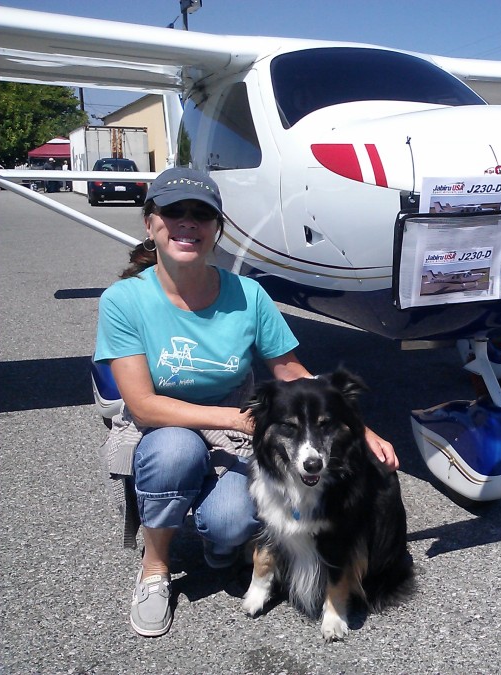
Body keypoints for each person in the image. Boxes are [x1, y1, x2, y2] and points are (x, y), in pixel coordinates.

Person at [94, 167, 397, 638]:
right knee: (176, 451)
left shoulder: (248, 294)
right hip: (162, 428)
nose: (188, 224)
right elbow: (143, 404)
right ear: (150, 224)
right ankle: (155, 568)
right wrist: (242, 419)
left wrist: (359, 426)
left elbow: (291, 372)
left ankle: (219, 540)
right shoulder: (124, 300)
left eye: (202, 215)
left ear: (217, 230)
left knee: (233, 521)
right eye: (174, 213)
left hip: (233, 433)